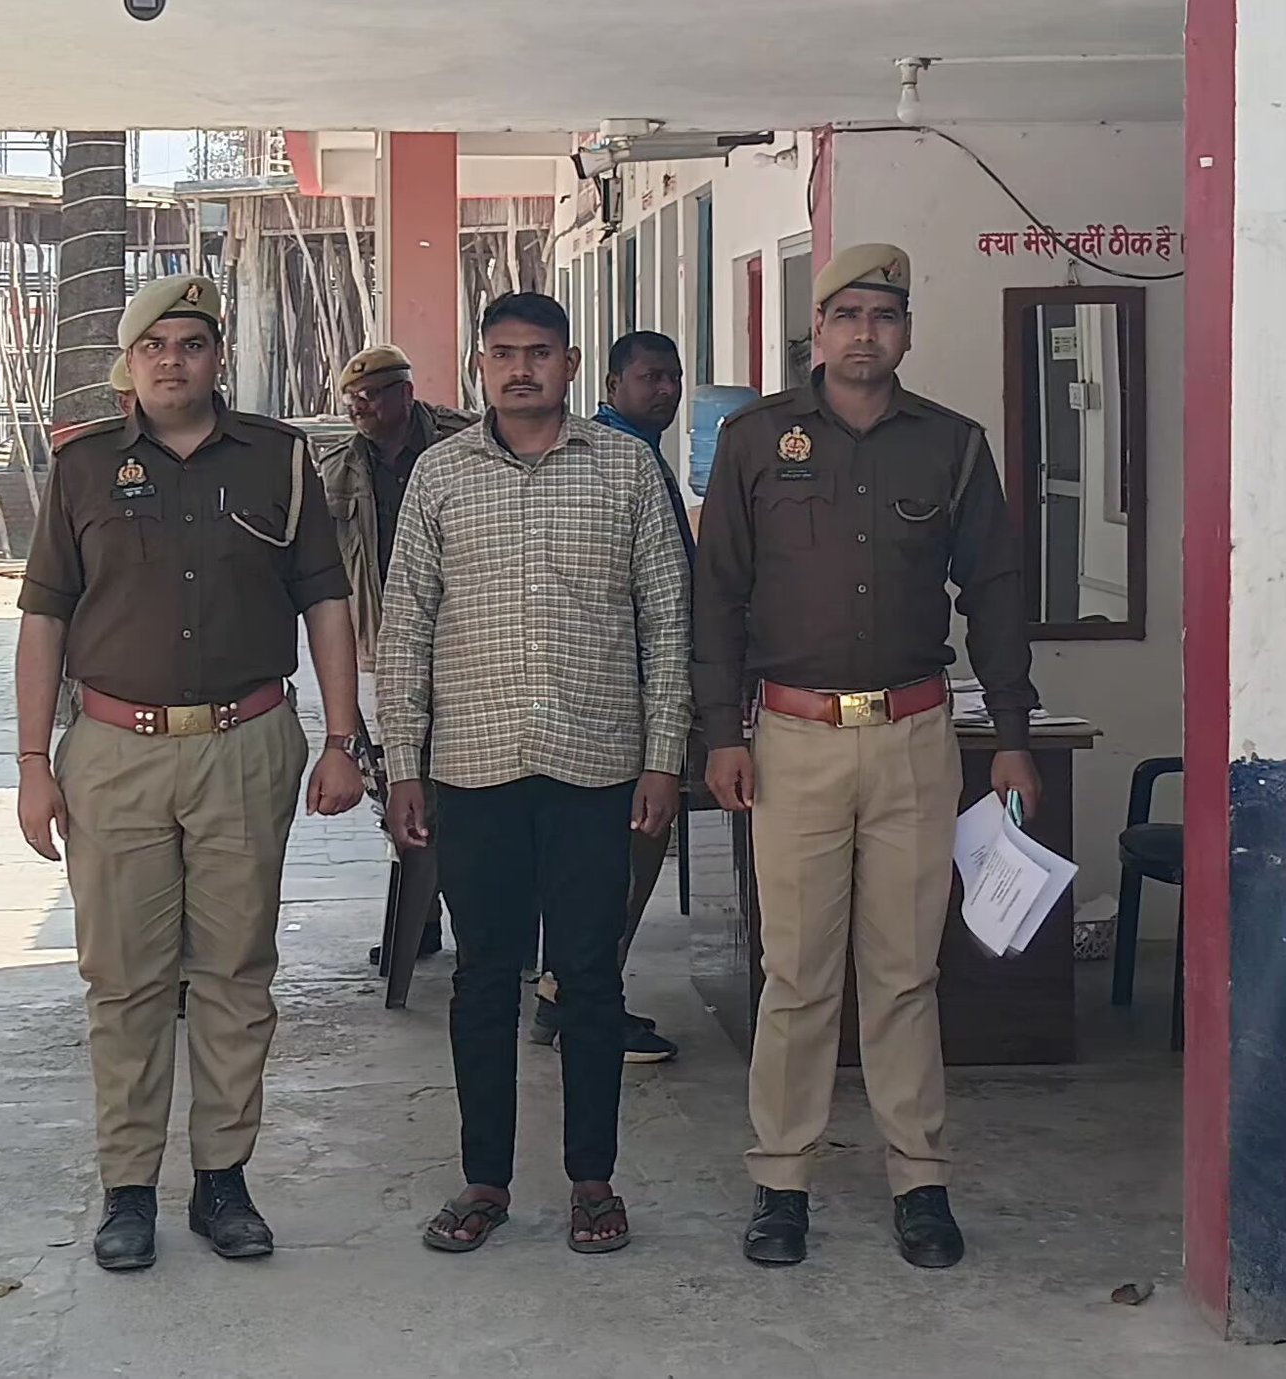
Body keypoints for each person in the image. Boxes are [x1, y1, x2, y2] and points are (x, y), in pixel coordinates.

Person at [693, 244, 1040, 1272]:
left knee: (903, 973)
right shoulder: (757, 440)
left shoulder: (952, 446)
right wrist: (721, 732)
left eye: (883, 316)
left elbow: (996, 591)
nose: (863, 332)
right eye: (846, 314)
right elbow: (718, 596)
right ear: (819, 328)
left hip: (914, 738)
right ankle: (782, 1179)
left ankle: (918, 1179)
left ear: (906, 332)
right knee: (796, 974)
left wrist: (1012, 737)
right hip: (792, 739)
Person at [14, 272, 366, 1274]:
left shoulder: (279, 460)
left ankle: (223, 1179)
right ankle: (128, 1187)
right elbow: (42, 619)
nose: (174, 361)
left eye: (192, 343)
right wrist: (34, 762)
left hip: (245, 744)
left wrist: (343, 738)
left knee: (235, 972)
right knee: (123, 979)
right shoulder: (83, 467)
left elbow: (325, 601)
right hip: (113, 753)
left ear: (218, 356)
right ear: (128, 364)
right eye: (155, 345)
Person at [378, 292, 692, 1256]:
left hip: (596, 766)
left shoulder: (626, 470)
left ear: (571, 363)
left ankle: (593, 1181)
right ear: (481, 364)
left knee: (589, 978)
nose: (522, 369)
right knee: (483, 979)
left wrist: (664, 757)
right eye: (504, 353)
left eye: (540, 352)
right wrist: (403, 763)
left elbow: (666, 624)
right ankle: (485, 1179)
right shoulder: (440, 475)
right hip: (475, 769)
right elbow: (407, 626)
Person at [529, 329, 693, 1066]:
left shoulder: (640, 456)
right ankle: (579, 998)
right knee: (623, 856)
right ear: (610, 383)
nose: (666, 390)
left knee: (623, 856)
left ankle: (568, 990)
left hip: (633, 692)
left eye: (673, 377)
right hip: (615, 700)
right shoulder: (614, 459)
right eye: (650, 376)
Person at [318, 344, 471, 965]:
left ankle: (487, 922)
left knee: (469, 780)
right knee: (399, 782)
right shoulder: (339, 469)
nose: (361, 408)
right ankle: (420, 917)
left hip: (466, 635)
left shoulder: (462, 444)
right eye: (353, 399)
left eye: (373, 395)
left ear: (405, 394)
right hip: (387, 643)